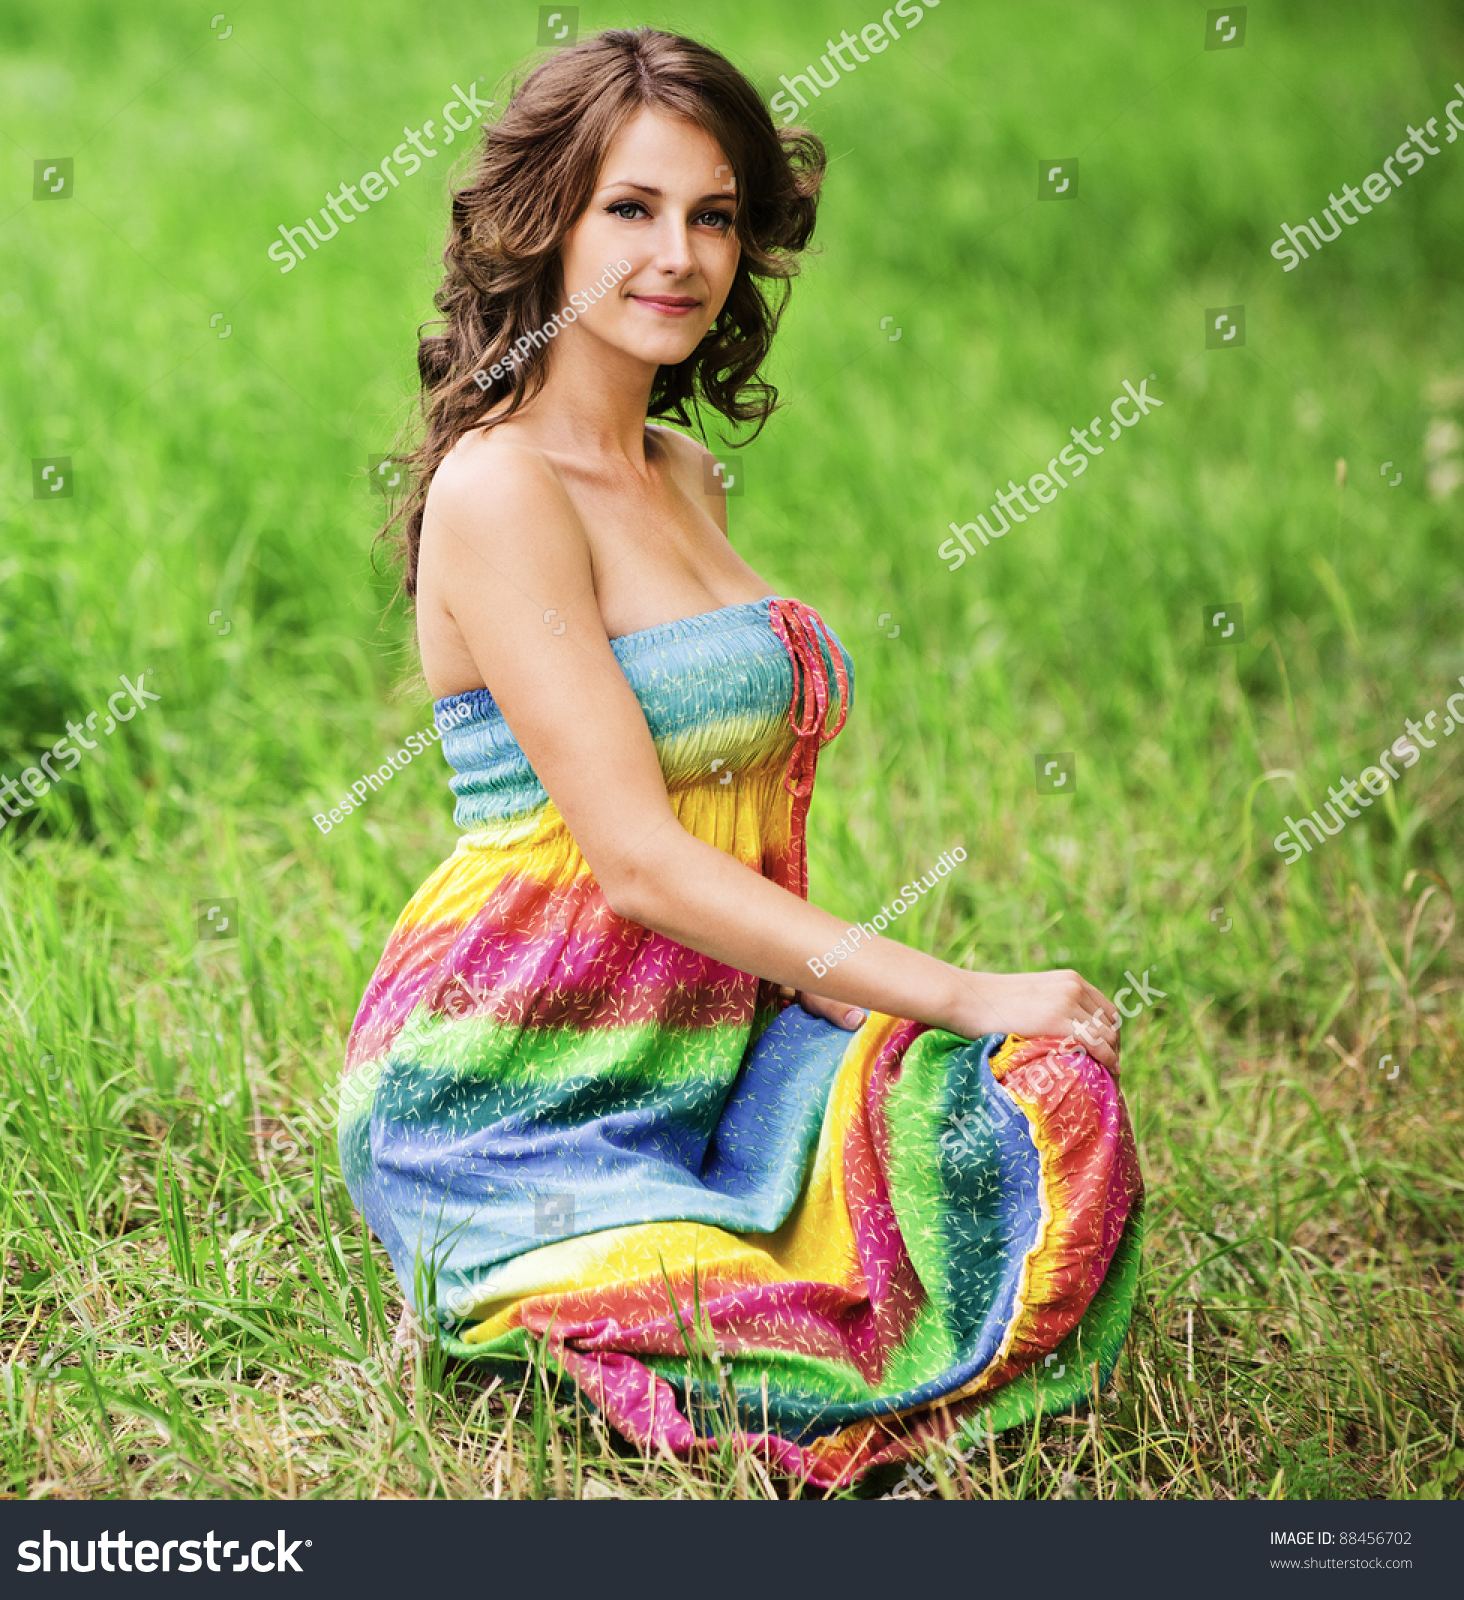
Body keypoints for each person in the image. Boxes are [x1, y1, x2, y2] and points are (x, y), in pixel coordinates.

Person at [339, 25, 1143, 1491]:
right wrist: (956, 989)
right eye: (632, 211)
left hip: (725, 1049)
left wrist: (949, 1029)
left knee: (1047, 1097)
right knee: (766, 1339)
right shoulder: (502, 490)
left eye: (714, 215)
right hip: (522, 1082)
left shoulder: (681, 469)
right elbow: (639, 866)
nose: (682, 255)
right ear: (547, 226)